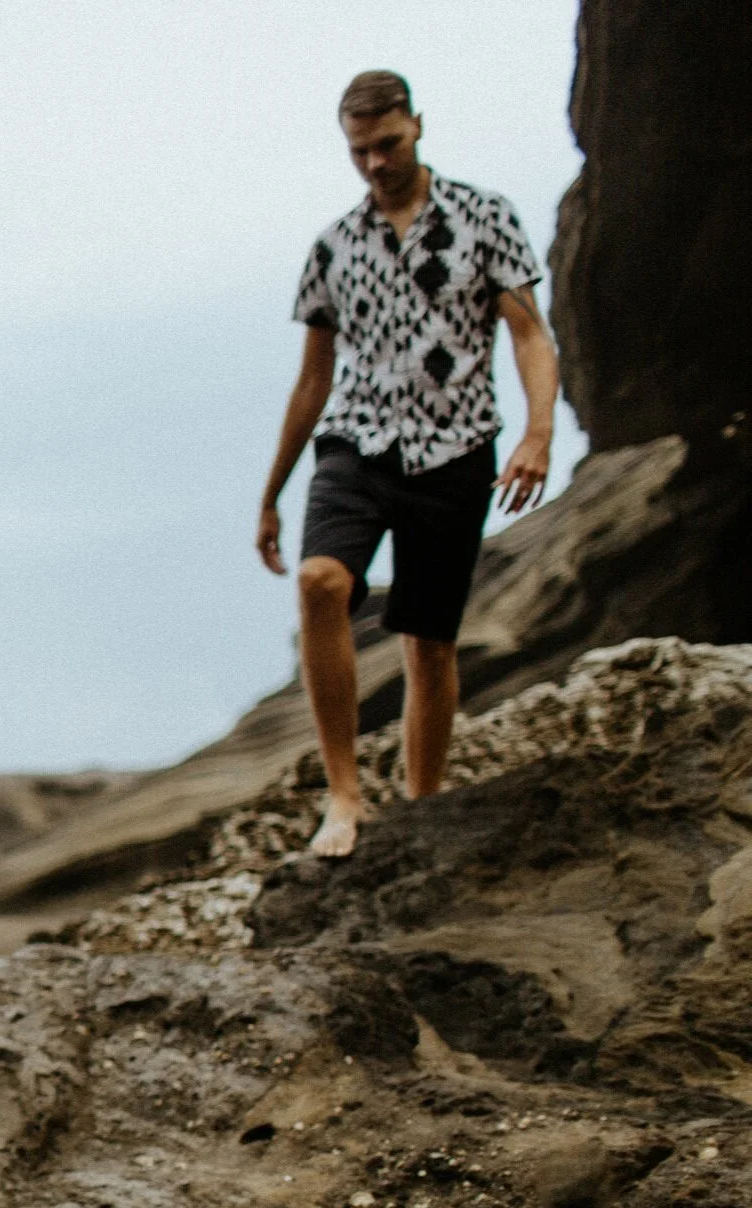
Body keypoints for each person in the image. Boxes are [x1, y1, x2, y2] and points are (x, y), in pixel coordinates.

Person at [256, 69, 560, 857]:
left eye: (387, 144)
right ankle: (345, 796)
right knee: (322, 581)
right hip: (356, 441)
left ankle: (421, 808)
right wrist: (271, 493)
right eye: (360, 151)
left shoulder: (485, 218)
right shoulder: (333, 246)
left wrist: (537, 434)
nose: (375, 164)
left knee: (428, 642)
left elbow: (529, 334)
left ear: (417, 126)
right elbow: (312, 380)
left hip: (456, 448)